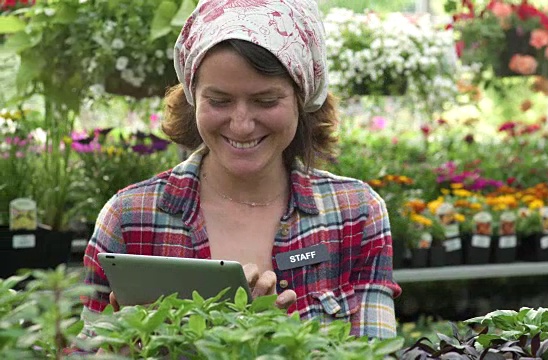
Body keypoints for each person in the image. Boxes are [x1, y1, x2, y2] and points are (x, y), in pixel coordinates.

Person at [82, 0, 401, 339]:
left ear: (301, 98)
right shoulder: (132, 218)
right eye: (219, 101)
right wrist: (127, 345)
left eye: (266, 101)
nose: (242, 124)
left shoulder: (354, 215)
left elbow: (374, 348)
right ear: (193, 97)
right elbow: (86, 346)